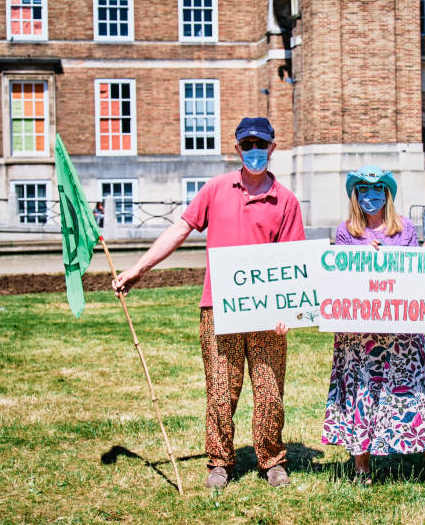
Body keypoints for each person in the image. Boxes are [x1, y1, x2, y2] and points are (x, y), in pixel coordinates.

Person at [112, 117, 305, 489]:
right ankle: (219, 461)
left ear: (272, 148)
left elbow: (294, 261)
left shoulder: (287, 200)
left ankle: (272, 459)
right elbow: (179, 229)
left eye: (260, 144)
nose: (254, 151)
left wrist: (289, 311)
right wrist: (138, 269)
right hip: (218, 308)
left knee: (269, 390)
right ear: (236, 149)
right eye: (247, 144)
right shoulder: (215, 189)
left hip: (267, 312)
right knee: (219, 389)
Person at [320, 165, 425, 485]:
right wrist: (360, 256)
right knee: (361, 395)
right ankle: (362, 466)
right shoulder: (345, 232)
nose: (371, 196)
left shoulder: (406, 228)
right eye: (364, 190)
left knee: (415, 393)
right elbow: (339, 279)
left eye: (378, 189)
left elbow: (417, 277)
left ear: (388, 194)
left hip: (402, 336)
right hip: (360, 338)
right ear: (356, 196)